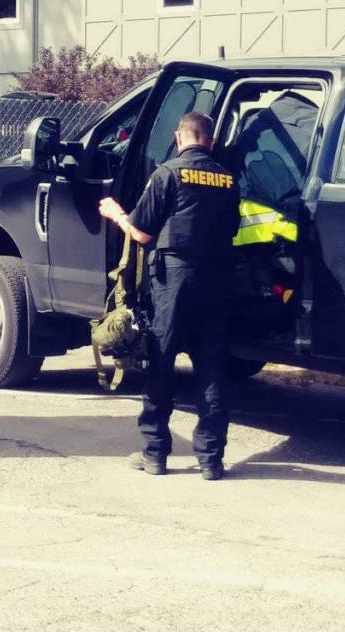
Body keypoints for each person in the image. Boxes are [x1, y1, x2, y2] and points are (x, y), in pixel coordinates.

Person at [98, 111, 240, 481]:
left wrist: (116, 214)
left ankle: (155, 453)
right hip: (216, 281)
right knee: (211, 368)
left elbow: (142, 233)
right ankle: (211, 460)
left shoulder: (168, 173)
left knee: (161, 362)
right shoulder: (228, 179)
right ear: (209, 140)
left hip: (173, 281)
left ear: (179, 138)